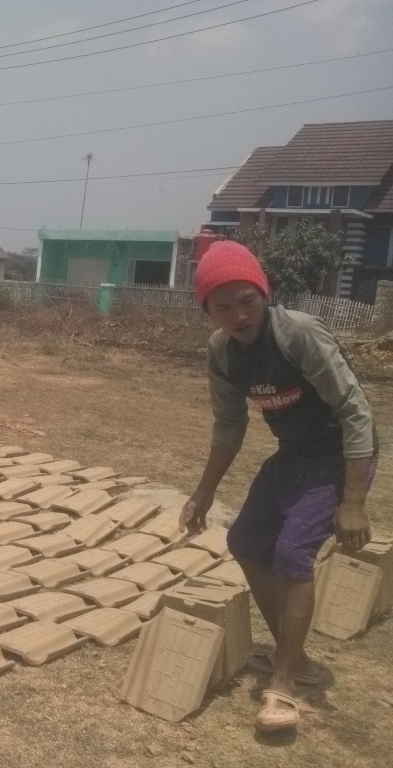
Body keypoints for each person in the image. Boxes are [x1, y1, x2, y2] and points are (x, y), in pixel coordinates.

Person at [180, 240, 377, 733]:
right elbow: (228, 426)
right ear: (206, 309)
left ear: (263, 293)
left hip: (338, 456)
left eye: (247, 300)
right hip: (294, 455)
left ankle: (285, 687)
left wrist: (353, 501)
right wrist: (202, 493)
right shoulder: (222, 352)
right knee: (244, 541)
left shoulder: (298, 335)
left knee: (292, 553)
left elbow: (356, 413)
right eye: (222, 306)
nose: (238, 314)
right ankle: (297, 659)